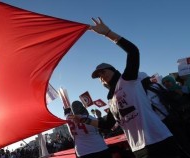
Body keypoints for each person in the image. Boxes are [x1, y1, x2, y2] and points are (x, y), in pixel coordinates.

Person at [71, 17, 182, 158]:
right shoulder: (111, 99)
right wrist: (84, 120)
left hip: (159, 140)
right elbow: (107, 124)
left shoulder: (128, 80)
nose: (101, 77)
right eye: (98, 77)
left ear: (113, 70)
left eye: (103, 72)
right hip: (138, 149)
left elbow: (133, 52)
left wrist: (108, 33)